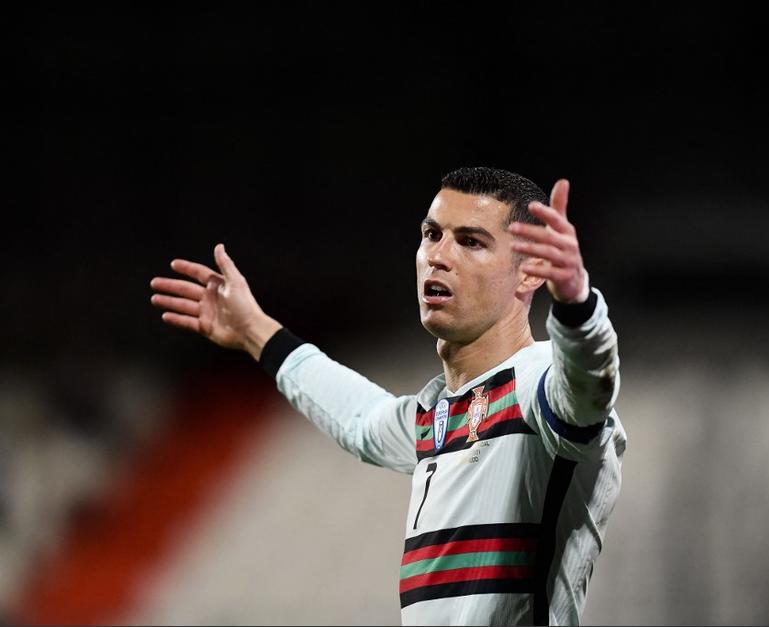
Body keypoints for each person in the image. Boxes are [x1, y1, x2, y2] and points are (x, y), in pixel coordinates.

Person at [150, 167, 626, 626]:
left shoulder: (536, 386)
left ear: (529, 273)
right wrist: (255, 329)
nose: (438, 255)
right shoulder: (439, 417)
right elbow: (359, 417)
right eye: (432, 234)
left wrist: (577, 305)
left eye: (470, 241)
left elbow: (587, 388)